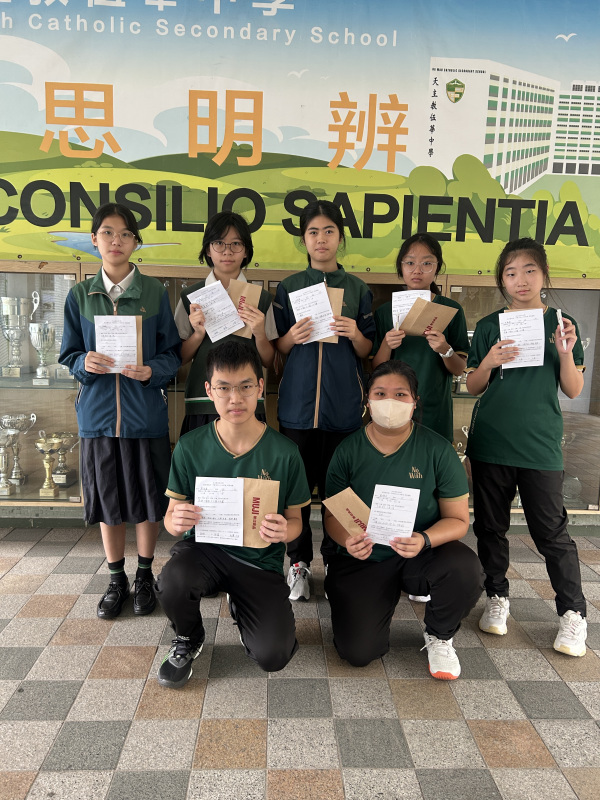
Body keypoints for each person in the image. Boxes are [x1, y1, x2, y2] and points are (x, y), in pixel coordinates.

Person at [155, 340, 311, 689]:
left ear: (260, 388)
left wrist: (285, 531)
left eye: (245, 387)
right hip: (205, 552)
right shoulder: (190, 446)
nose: (235, 398)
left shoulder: (285, 452)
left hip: (259, 561)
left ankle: (242, 607)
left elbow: (296, 522)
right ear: (209, 390)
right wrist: (174, 522)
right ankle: (188, 636)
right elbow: (170, 518)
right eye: (224, 388)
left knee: (274, 655)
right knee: (172, 582)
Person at [59, 202, 181, 619]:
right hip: (97, 417)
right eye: (108, 233)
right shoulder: (80, 295)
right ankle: (116, 578)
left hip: (144, 415)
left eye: (125, 233)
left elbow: (172, 354)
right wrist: (83, 362)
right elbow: (68, 354)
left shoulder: (155, 293)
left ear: (135, 242)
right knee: (107, 500)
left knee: (149, 499)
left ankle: (144, 575)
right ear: (94, 240)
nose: (116, 240)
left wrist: (151, 371)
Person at [466, 238, 587, 656]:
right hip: (491, 442)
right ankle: (496, 596)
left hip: (540, 445)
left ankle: (573, 613)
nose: (521, 280)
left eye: (530, 270)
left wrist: (564, 352)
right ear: (502, 280)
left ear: (544, 274)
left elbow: (573, 389)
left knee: (551, 532)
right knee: (490, 527)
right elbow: (473, 385)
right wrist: (489, 361)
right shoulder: (489, 326)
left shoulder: (562, 323)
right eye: (511, 272)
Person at [323, 360, 483, 679]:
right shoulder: (348, 451)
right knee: (358, 652)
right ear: (367, 401)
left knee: (466, 569)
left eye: (400, 394)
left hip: (420, 553)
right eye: (380, 393)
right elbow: (332, 515)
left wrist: (424, 539)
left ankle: (439, 635)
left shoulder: (437, 450)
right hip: (365, 558)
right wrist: (348, 541)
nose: (390, 402)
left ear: (414, 402)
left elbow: (458, 520)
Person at [273, 200, 376, 601]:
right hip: (297, 409)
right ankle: (298, 563)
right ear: (304, 239)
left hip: (343, 409)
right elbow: (276, 349)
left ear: (340, 238)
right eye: (313, 232)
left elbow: (368, 351)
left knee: (340, 493)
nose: (321, 239)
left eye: (329, 231)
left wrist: (354, 333)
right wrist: (291, 337)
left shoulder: (358, 289)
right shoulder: (289, 286)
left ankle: (335, 561)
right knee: (295, 492)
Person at [174, 211, 276, 435]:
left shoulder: (261, 298)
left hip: (247, 402)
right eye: (219, 243)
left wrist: (260, 333)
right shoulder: (190, 298)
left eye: (236, 244)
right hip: (203, 400)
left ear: (246, 251)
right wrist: (198, 334)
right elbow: (179, 358)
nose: (227, 251)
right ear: (208, 249)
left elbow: (269, 360)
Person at [372, 232, 469, 442]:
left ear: (437, 267)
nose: (417, 270)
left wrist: (445, 349)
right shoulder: (384, 312)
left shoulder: (450, 310)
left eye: (427, 263)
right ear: (401, 267)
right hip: (393, 405)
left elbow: (459, 369)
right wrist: (387, 344)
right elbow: (375, 368)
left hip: (435, 407)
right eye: (410, 263)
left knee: (433, 458)